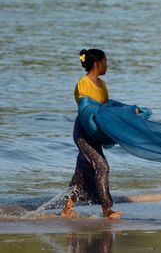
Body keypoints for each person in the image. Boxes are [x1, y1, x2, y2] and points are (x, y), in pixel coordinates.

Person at [61, 49, 121, 219]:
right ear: (97, 63)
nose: (106, 65)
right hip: (83, 133)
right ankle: (107, 209)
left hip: (96, 132)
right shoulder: (83, 83)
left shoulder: (103, 85)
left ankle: (67, 209)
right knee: (102, 166)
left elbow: (105, 108)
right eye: (105, 61)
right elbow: (87, 110)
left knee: (81, 172)